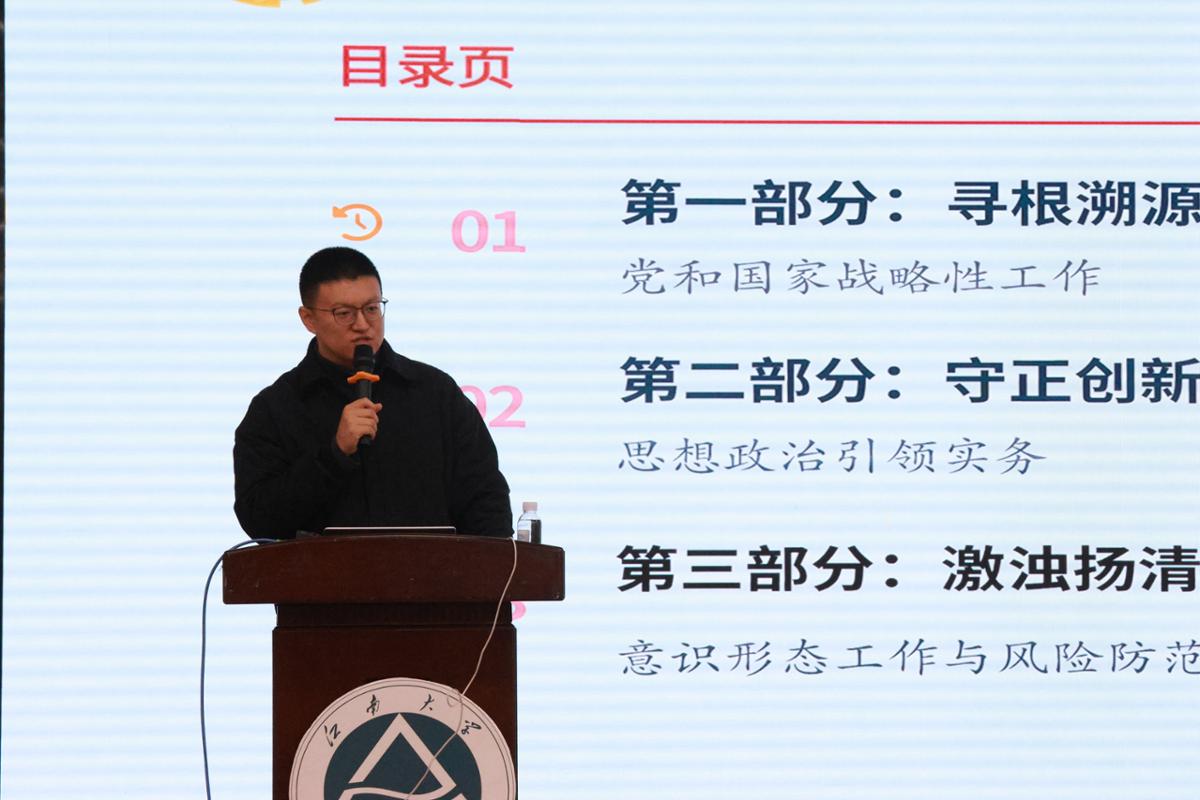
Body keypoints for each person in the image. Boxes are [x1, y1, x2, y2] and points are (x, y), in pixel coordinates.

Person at [233, 246, 512, 539]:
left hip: (430, 569)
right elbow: (258, 518)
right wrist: (334, 455)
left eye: (371, 309)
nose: (363, 325)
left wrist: (486, 565)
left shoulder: (435, 393)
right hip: (320, 570)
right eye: (344, 314)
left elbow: (486, 499)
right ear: (308, 319)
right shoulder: (276, 408)